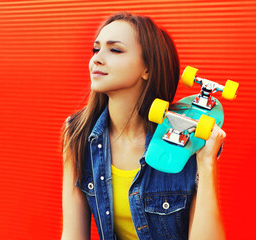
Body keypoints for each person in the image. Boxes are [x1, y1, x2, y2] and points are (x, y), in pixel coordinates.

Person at [61, 12, 226, 240]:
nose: (96, 59)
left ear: (147, 68)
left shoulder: (184, 144)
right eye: (96, 49)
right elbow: (72, 235)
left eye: (115, 50)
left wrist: (207, 162)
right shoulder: (79, 133)